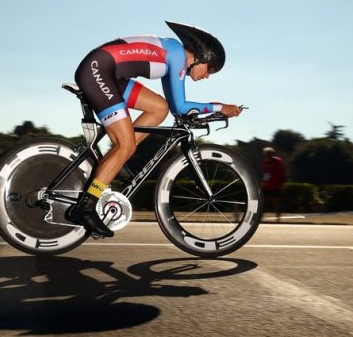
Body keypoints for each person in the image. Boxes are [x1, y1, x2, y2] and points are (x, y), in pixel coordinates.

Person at [66, 21, 243, 237]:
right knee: (127, 145)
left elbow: (174, 109)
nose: (207, 76)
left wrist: (208, 112)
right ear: (202, 56)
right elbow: (182, 106)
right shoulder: (177, 56)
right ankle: (86, 205)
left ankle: (117, 157)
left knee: (159, 108)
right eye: (210, 70)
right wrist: (219, 107)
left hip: (111, 74)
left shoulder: (174, 55)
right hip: (98, 70)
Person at [262, 147, 285, 222]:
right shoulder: (265, 162)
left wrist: (282, 184)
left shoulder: (278, 161)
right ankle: (260, 217)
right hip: (267, 185)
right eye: (266, 154)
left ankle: (278, 218)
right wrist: (263, 182)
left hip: (276, 185)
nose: (267, 155)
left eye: (269, 154)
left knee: (276, 203)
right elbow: (265, 173)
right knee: (264, 202)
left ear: (272, 154)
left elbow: (282, 173)